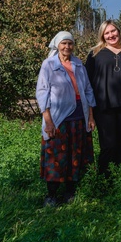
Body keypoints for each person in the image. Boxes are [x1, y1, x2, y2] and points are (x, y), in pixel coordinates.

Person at [36, 31, 96, 206]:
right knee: (56, 155)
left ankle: (70, 192)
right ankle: (52, 195)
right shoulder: (49, 65)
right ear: (57, 45)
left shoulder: (78, 64)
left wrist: (90, 116)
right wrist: (48, 120)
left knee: (75, 154)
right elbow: (42, 93)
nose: (67, 47)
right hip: (58, 118)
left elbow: (88, 90)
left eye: (70, 44)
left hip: (79, 117)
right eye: (64, 43)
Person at [85, 20, 121, 177]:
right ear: (102, 35)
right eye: (107, 33)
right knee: (108, 145)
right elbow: (87, 82)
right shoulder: (95, 53)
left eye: (113, 31)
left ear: (119, 31)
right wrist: (89, 110)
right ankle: (105, 179)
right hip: (104, 105)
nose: (111, 35)